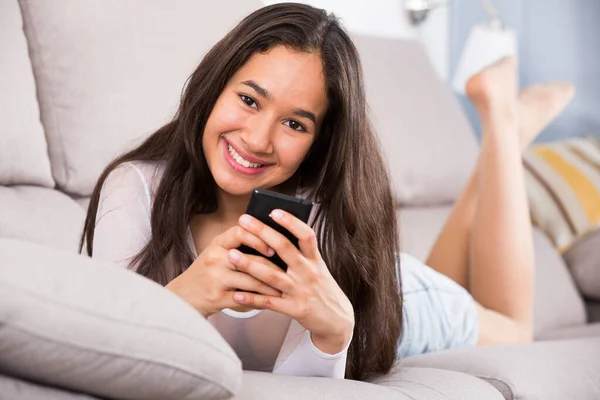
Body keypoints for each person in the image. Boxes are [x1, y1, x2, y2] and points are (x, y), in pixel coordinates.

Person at [80, 3, 574, 381]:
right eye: (249, 99)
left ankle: (504, 123)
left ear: (320, 140)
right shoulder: (136, 189)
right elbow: (105, 343)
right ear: (214, 87)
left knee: (513, 329)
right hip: (389, 277)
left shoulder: (324, 219)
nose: (257, 139)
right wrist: (184, 296)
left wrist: (333, 331)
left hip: (399, 299)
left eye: (295, 123)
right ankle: (497, 147)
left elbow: (309, 387)